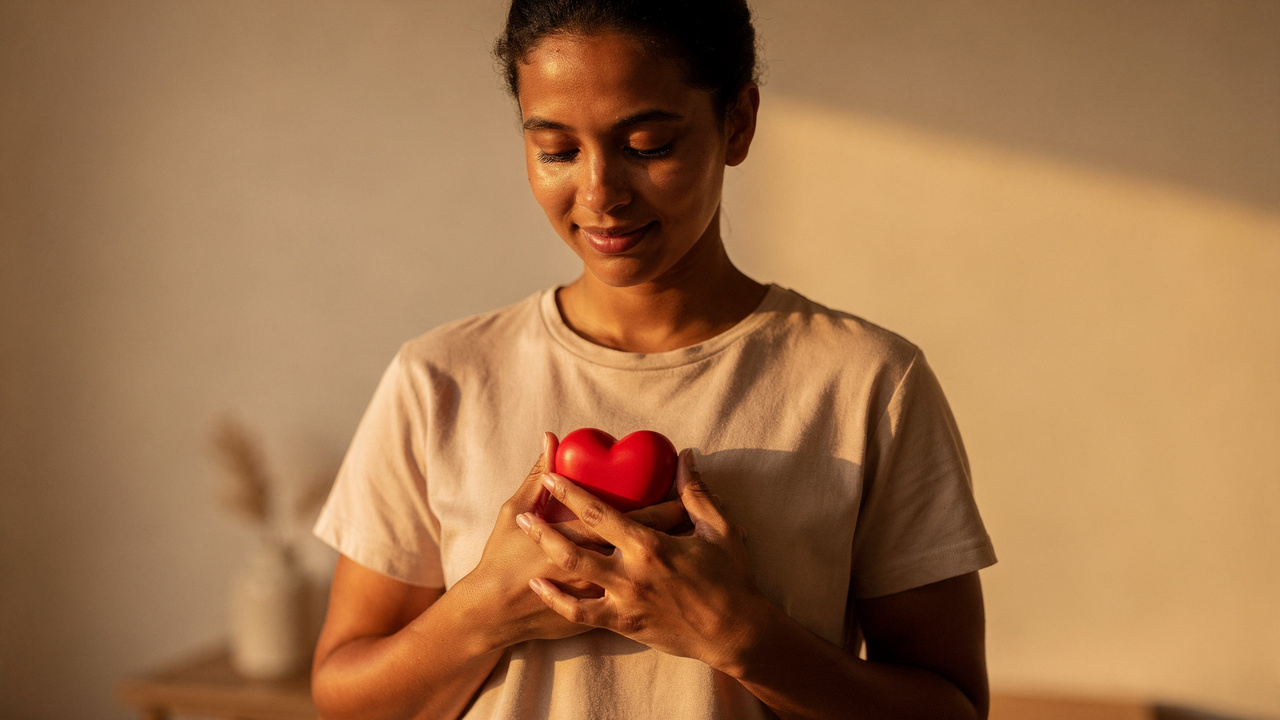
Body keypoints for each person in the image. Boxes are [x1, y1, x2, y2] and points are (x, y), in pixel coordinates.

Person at [309, 1, 997, 718]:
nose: (600, 194)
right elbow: (347, 703)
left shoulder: (869, 383)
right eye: (557, 151)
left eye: (647, 145)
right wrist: (488, 608)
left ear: (738, 123)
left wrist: (742, 637)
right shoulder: (440, 380)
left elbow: (952, 710)